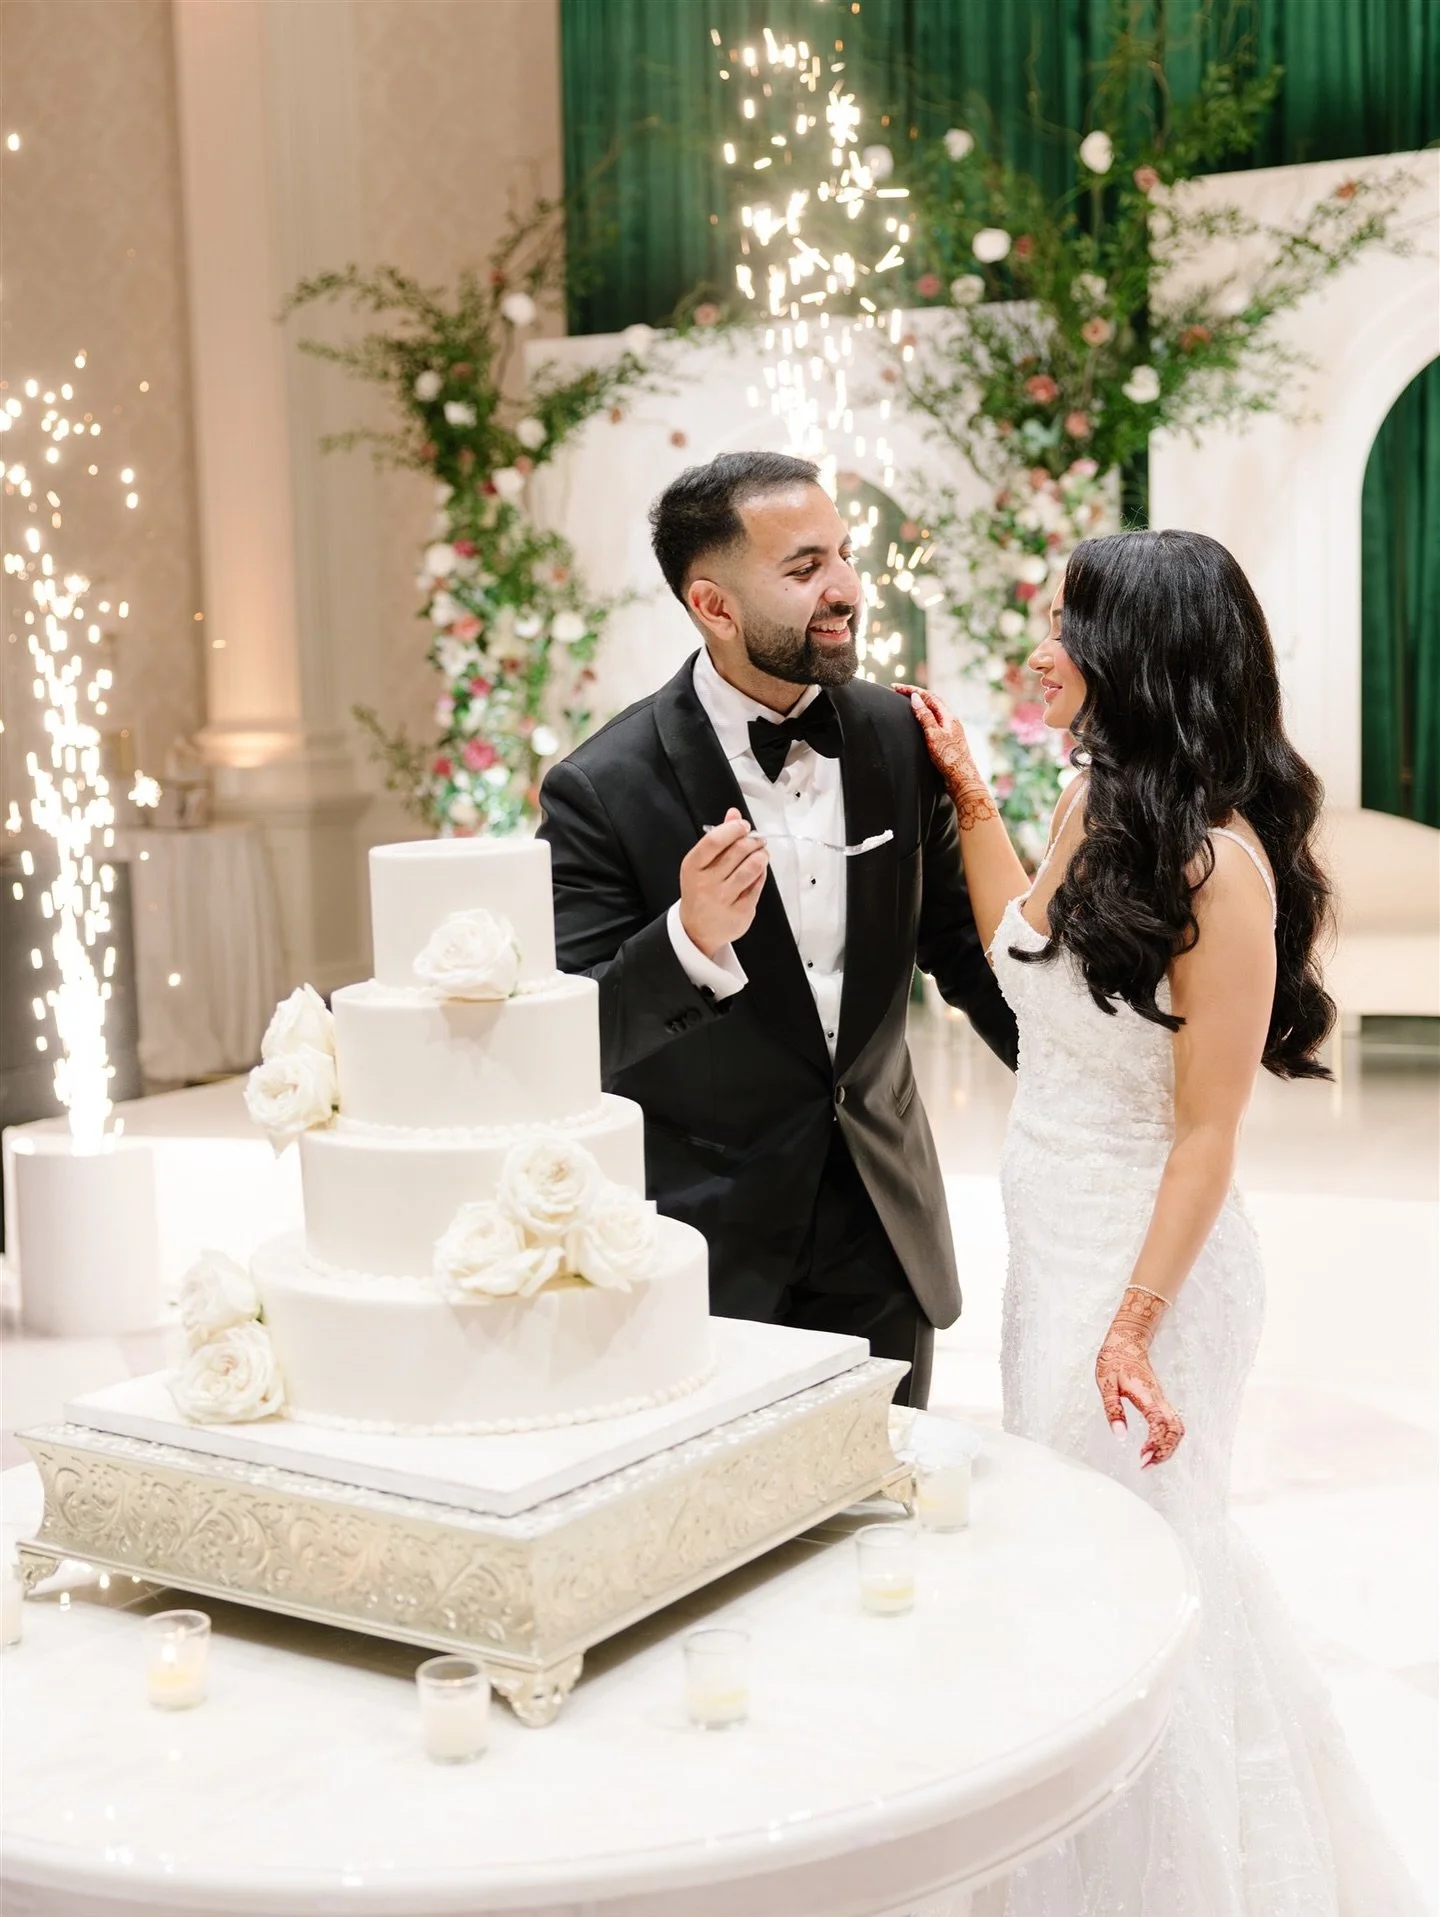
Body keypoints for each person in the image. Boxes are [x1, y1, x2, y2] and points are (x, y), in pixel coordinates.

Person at [901, 527, 1422, 1915]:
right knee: (1095, 1564)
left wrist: (1133, 1327)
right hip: (1058, 1248)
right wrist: (967, 793)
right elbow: (1022, 964)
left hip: (1152, 1274)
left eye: (1065, 620)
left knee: (1141, 1576)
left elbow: (1207, 1130)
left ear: (1137, 653)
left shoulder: (1223, 872)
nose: (1039, 642)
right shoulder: (1092, 808)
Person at [537, 450, 1017, 1407]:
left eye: (842, 554)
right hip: (710, 1245)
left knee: (887, 1515)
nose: (845, 588)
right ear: (713, 605)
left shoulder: (896, 735)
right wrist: (690, 941)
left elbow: (964, 950)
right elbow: (571, 1036)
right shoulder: (600, 787)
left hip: (885, 1226)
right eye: (804, 569)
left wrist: (1090, 1079)